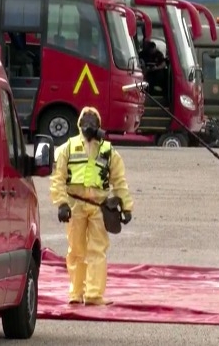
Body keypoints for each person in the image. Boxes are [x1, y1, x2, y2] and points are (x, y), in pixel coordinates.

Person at [49, 106, 134, 306]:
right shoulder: (67, 148)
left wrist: (127, 207)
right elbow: (57, 179)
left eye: (92, 122)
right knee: (76, 250)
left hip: (98, 207)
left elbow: (119, 181)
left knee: (97, 250)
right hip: (75, 205)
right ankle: (76, 293)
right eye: (85, 121)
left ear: (99, 125)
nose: (89, 126)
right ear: (79, 124)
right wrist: (61, 203)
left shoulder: (108, 151)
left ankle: (94, 295)